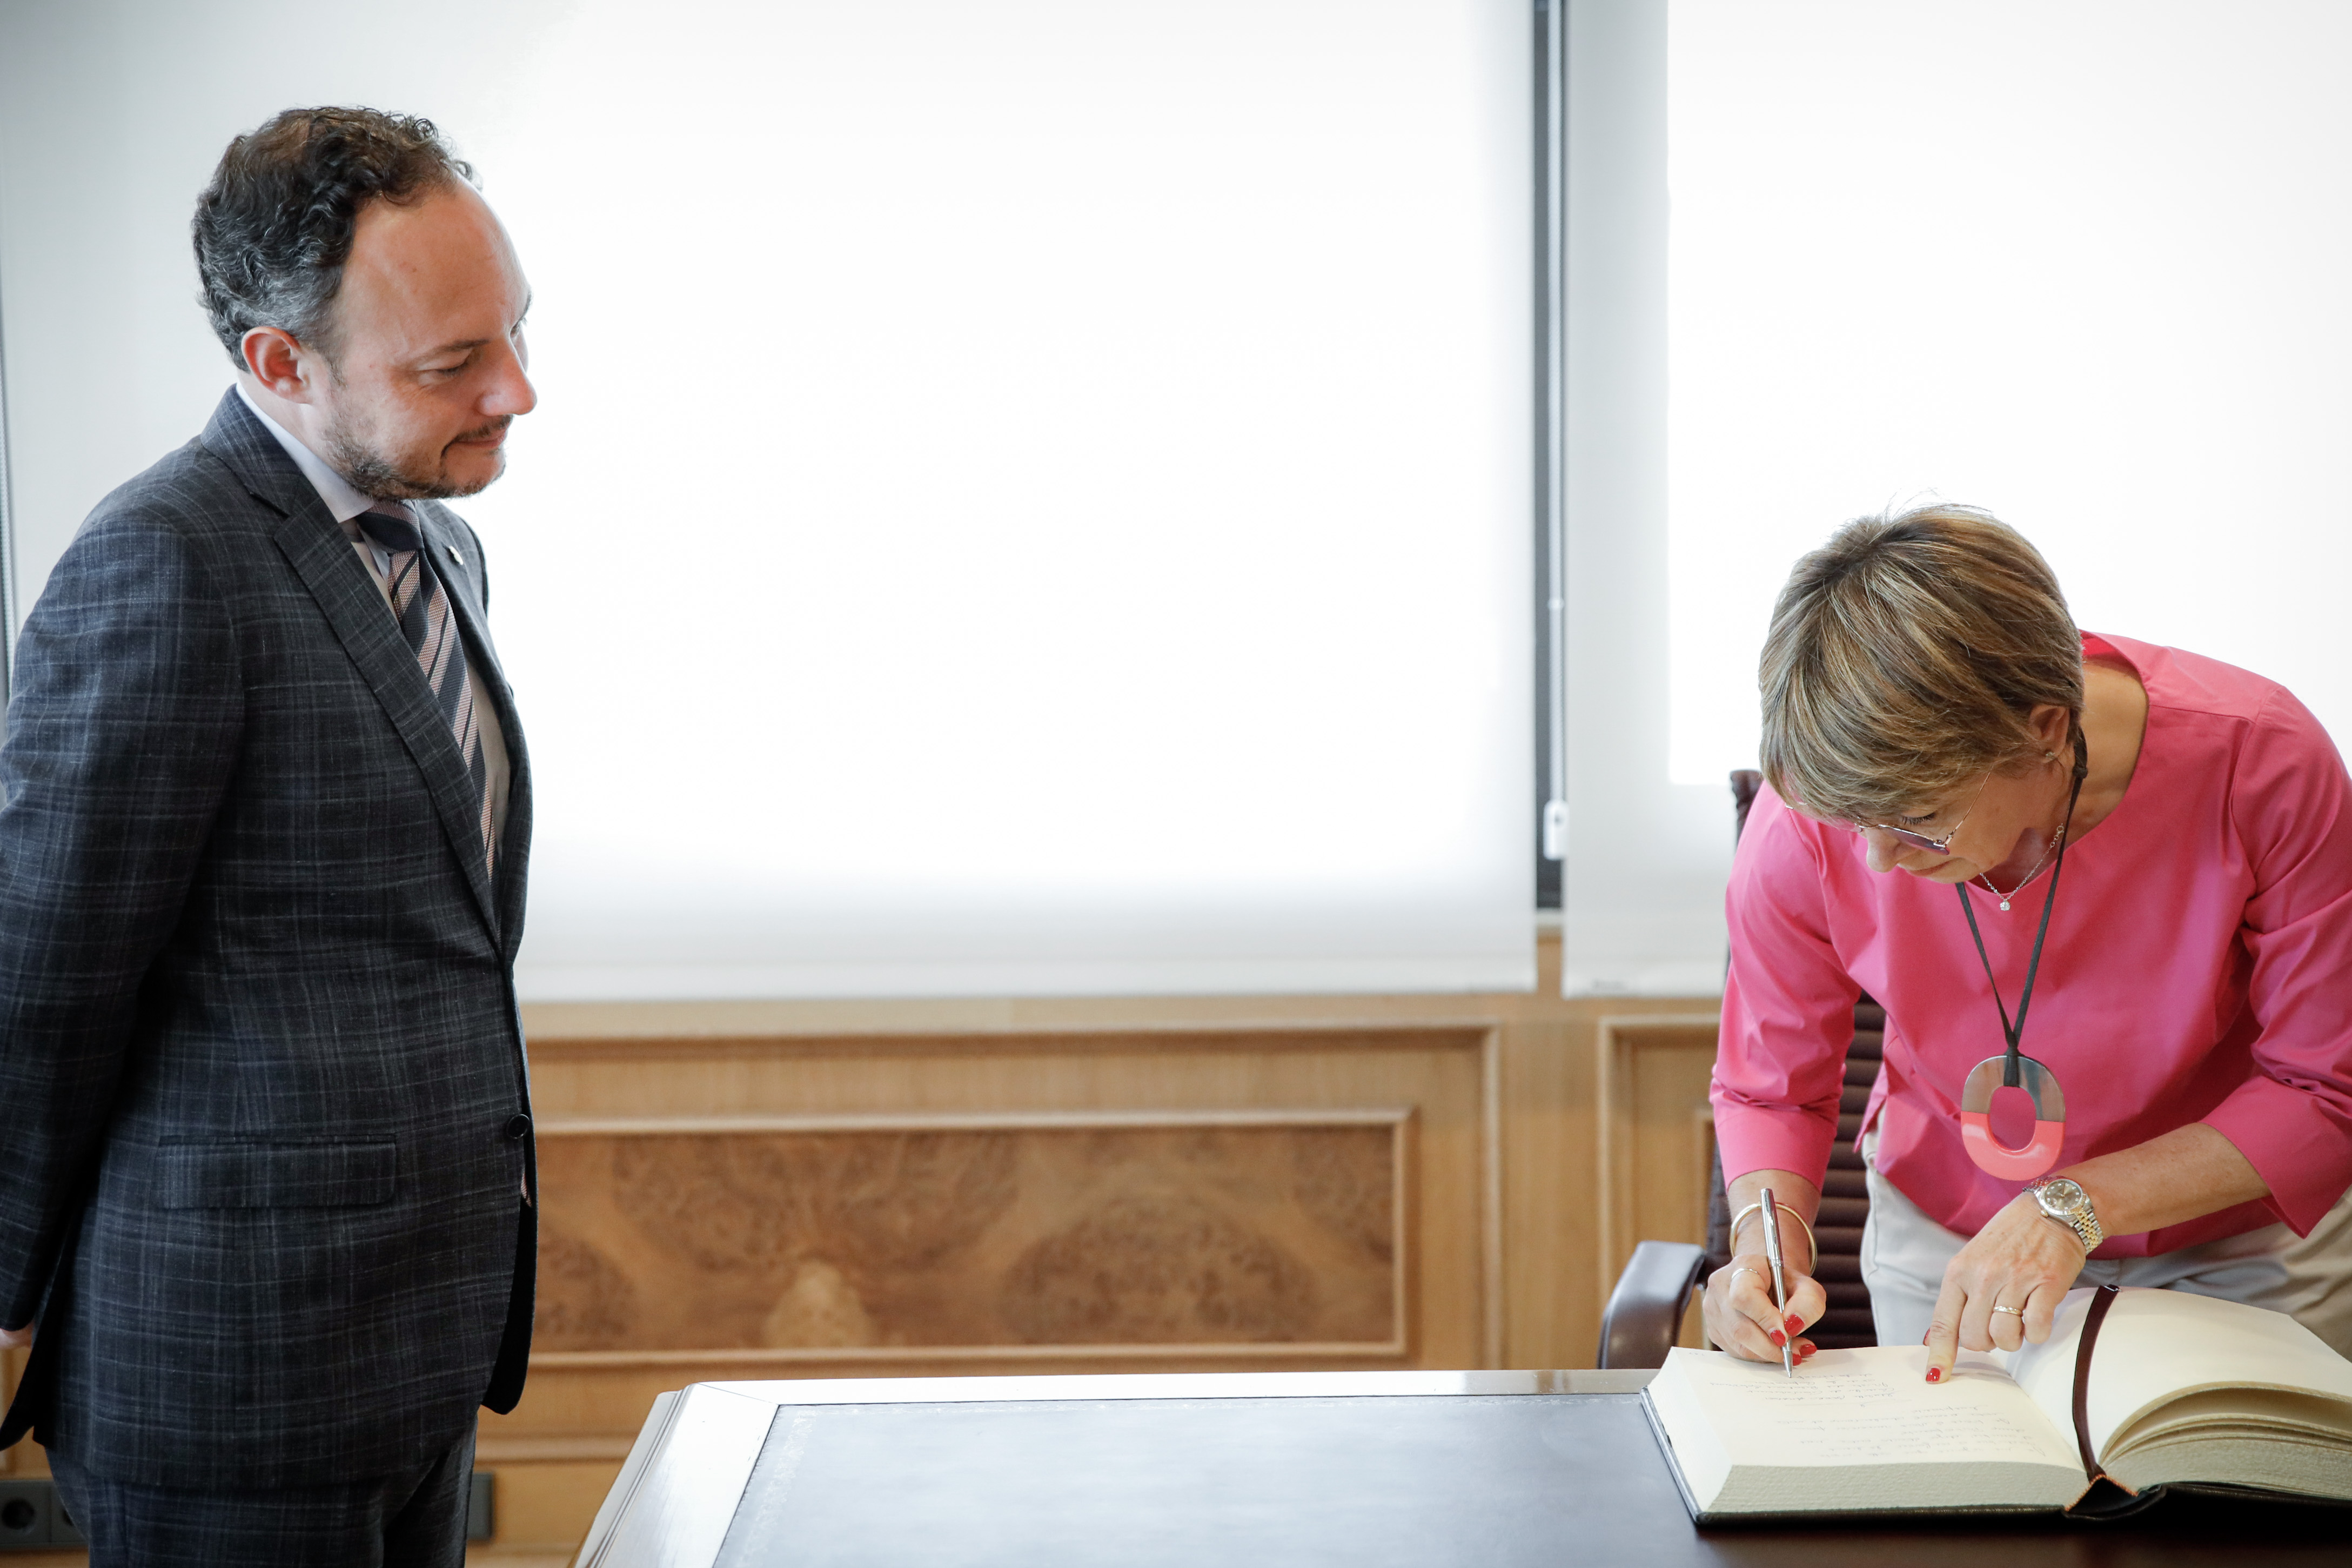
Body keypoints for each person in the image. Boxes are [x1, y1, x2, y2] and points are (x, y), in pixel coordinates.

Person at [0, 107, 538, 1565]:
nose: (520, 390)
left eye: (514, 332)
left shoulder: (439, 537)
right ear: (278, 364)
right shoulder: (161, 563)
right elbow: (41, 978)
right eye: (453, 365)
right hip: (232, 1380)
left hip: (418, 1354)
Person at [1705, 505, 2352, 1382]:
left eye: (1918, 821)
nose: (1876, 859)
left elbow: (2323, 1088)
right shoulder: (1817, 807)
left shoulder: (2263, 765)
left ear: (2046, 729)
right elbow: (1771, 1091)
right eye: (1848, 822)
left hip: (2231, 1242)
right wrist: (1759, 1242)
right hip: (1950, 1248)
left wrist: (2073, 1203)